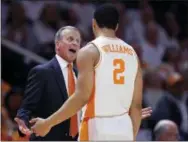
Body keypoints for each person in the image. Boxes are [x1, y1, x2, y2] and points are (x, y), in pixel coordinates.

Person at [30, 4, 143, 141]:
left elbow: (82, 96)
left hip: (97, 127)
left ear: (93, 23)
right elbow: (136, 106)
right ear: (117, 26)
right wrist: (131, 135)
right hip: (124, 128)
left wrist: (48, 123)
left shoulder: (89, 51)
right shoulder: (132, 53)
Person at [15, 26, 81, 141]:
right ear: (57, 44)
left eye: (78, 41)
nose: (75, 43)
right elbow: (26, 108)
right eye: (70, 39)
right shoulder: (42, 72)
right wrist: (23, 124)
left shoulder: (80, 76)